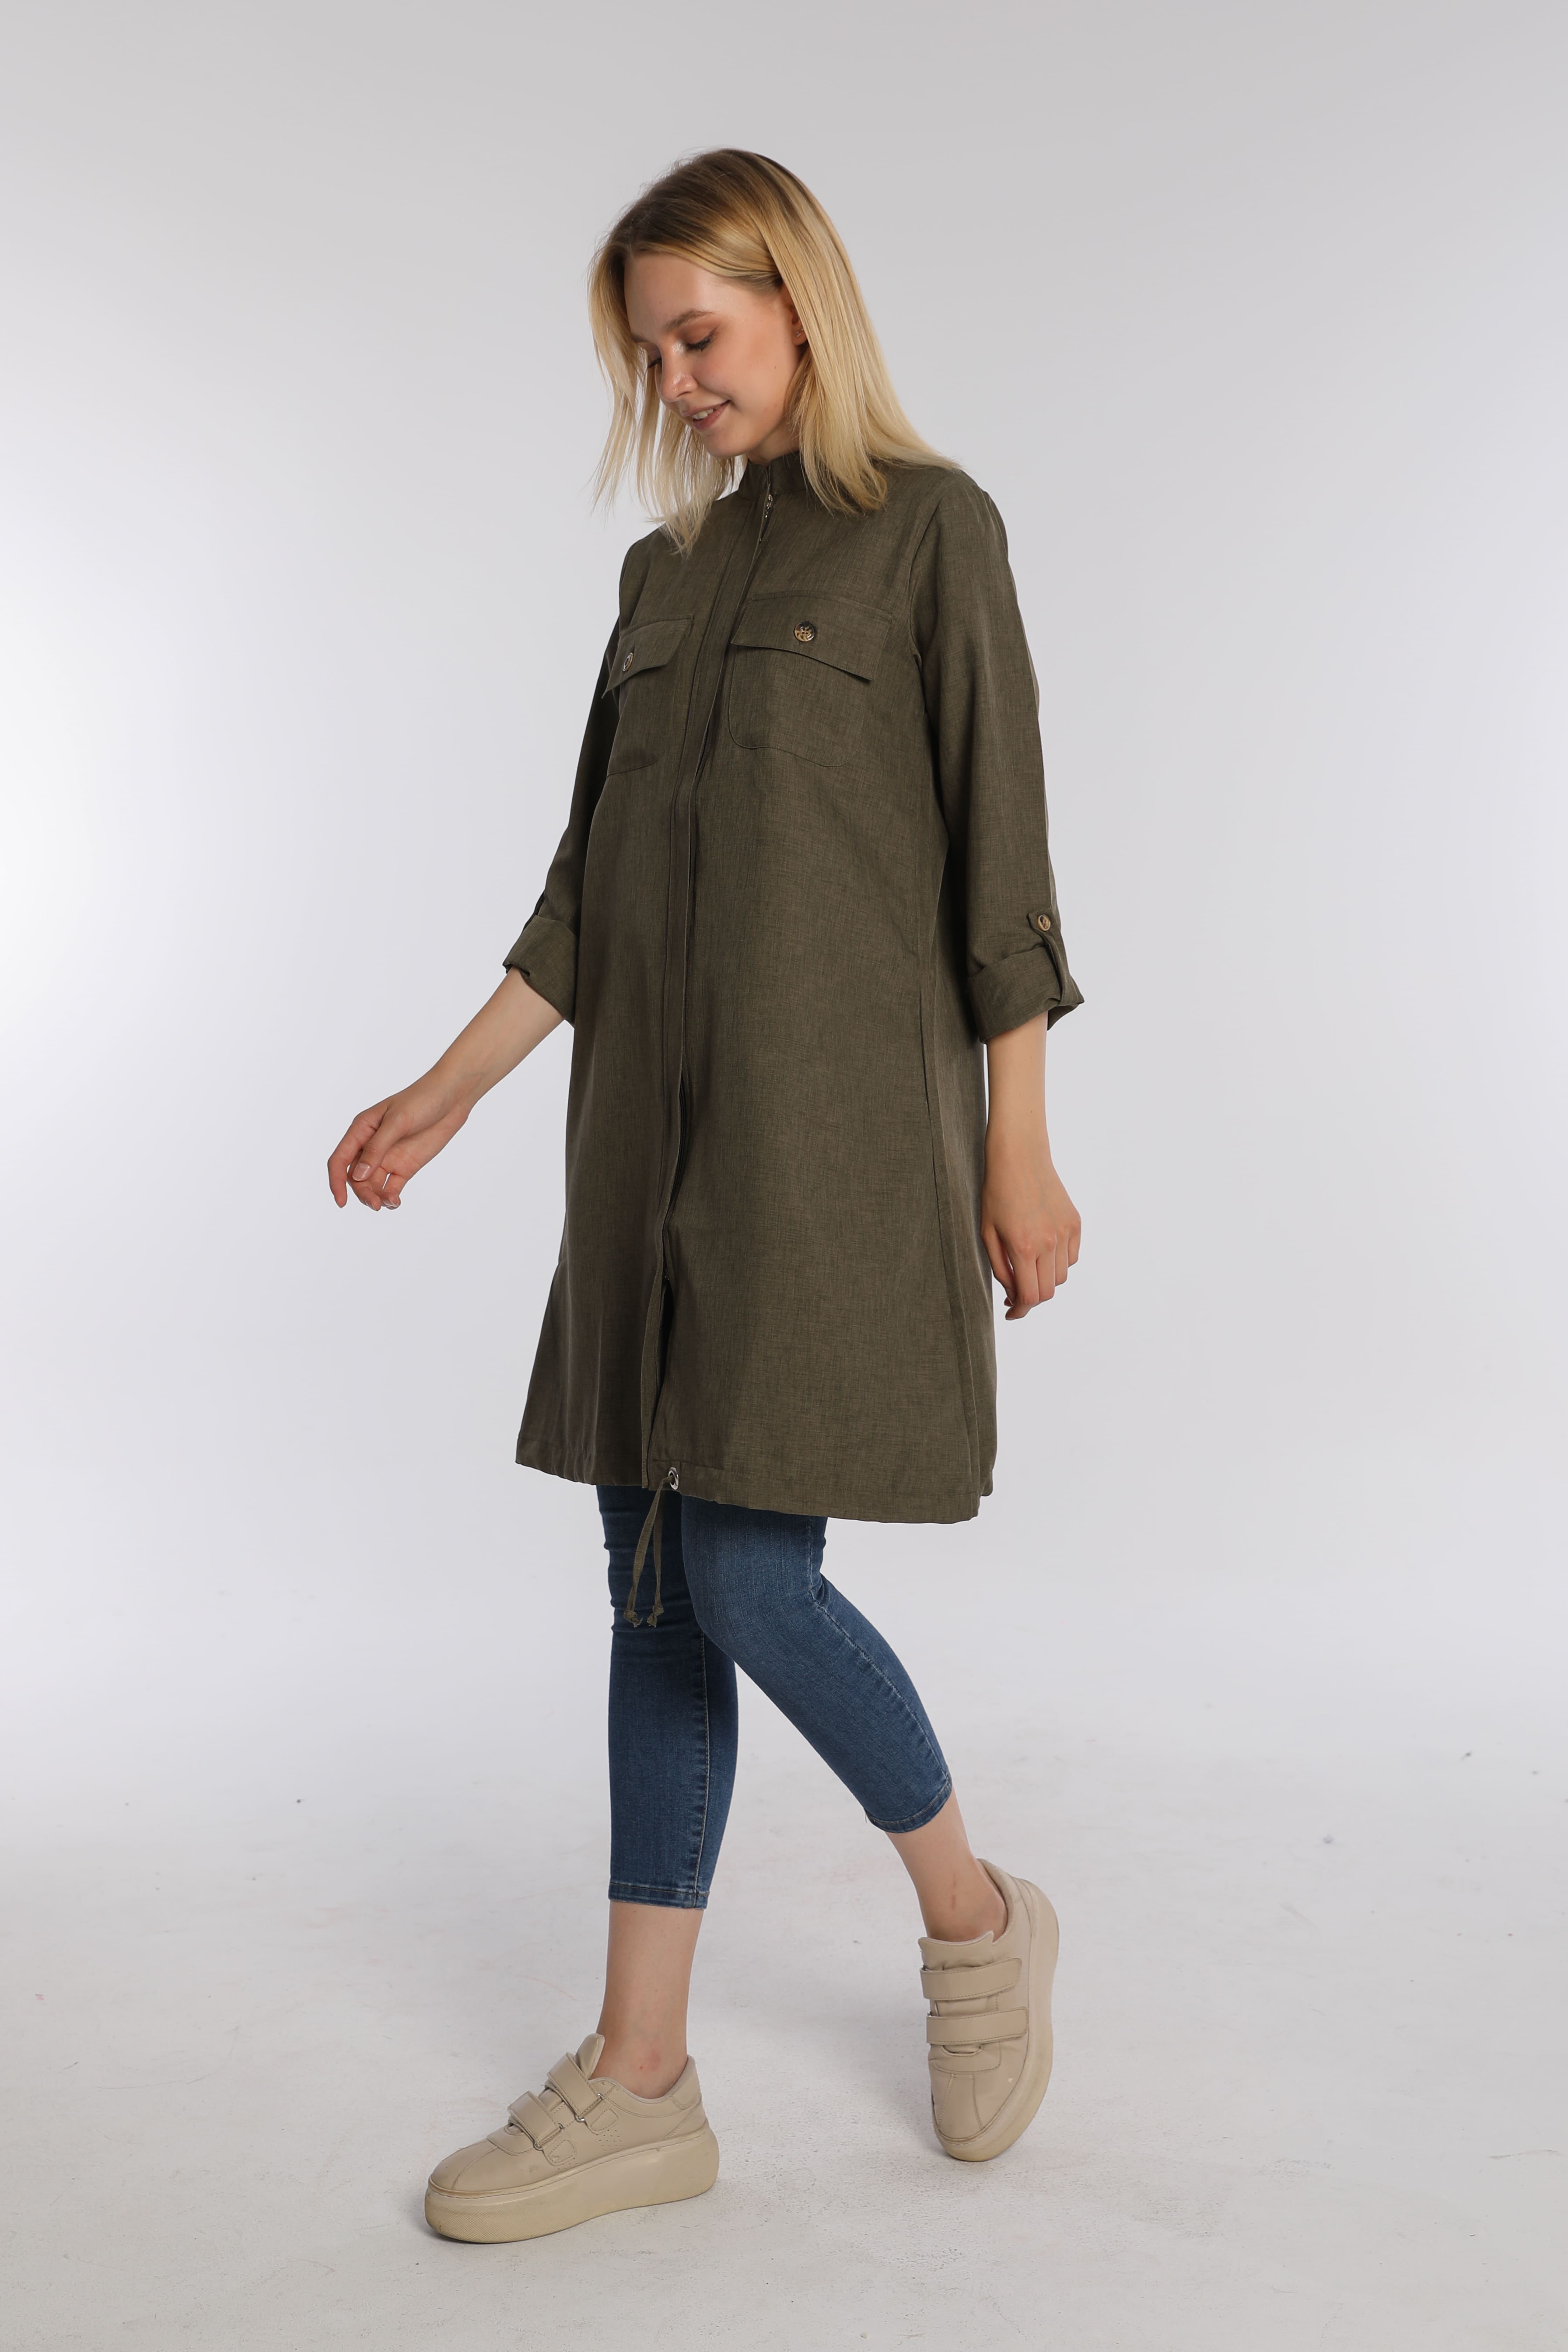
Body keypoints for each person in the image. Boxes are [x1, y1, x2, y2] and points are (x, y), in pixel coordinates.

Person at [327, 148, 1083, 2245]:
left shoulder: (934, 532)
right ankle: (643, 2076)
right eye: (649, 355)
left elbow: (1003, 874)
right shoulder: (657, 586)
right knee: (656, 1580)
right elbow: (582, 901)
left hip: (825, 1158)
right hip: (641, 1162)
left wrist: (1021, 1140)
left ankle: (975, 1919)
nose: (676, 382)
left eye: (700, 335)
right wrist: (444, 1094)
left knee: (749, 1574)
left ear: (798, 303)